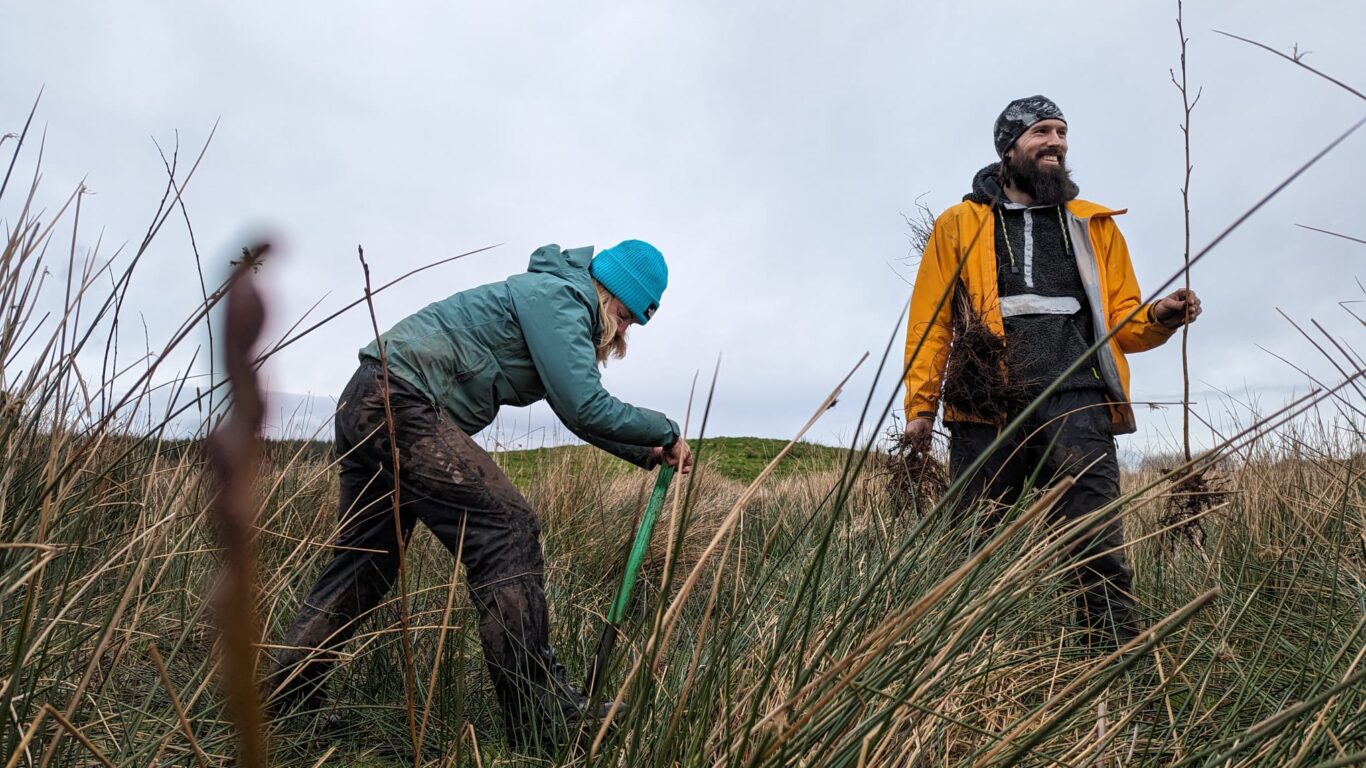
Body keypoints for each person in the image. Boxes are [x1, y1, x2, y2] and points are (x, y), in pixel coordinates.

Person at [267, 239, 693, 749]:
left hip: (369, 398)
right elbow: (584, 405)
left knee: (365, 563)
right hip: (401, 402)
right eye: (625, 317)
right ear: (610, 292)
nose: (624, 331)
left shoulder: (551, 300)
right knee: (506, 530)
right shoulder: (561, 298)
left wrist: (645, 452)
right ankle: (543, 720)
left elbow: (573, 408)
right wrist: (665, 429)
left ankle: (282, 705)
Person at [902, 95, 1202, 648]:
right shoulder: (959, 224)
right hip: (985, 406)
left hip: (1079, 403)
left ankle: (1110, 665)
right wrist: (920, 408)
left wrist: (1160, 317)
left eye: (1062, 133)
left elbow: (1123, 324)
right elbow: (931, 323)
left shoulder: (1094, 225)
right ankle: (963, 663)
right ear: (1009, 146)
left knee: (1096, 544)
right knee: (972, 546)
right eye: (1043, 131)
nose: (1057, 143)